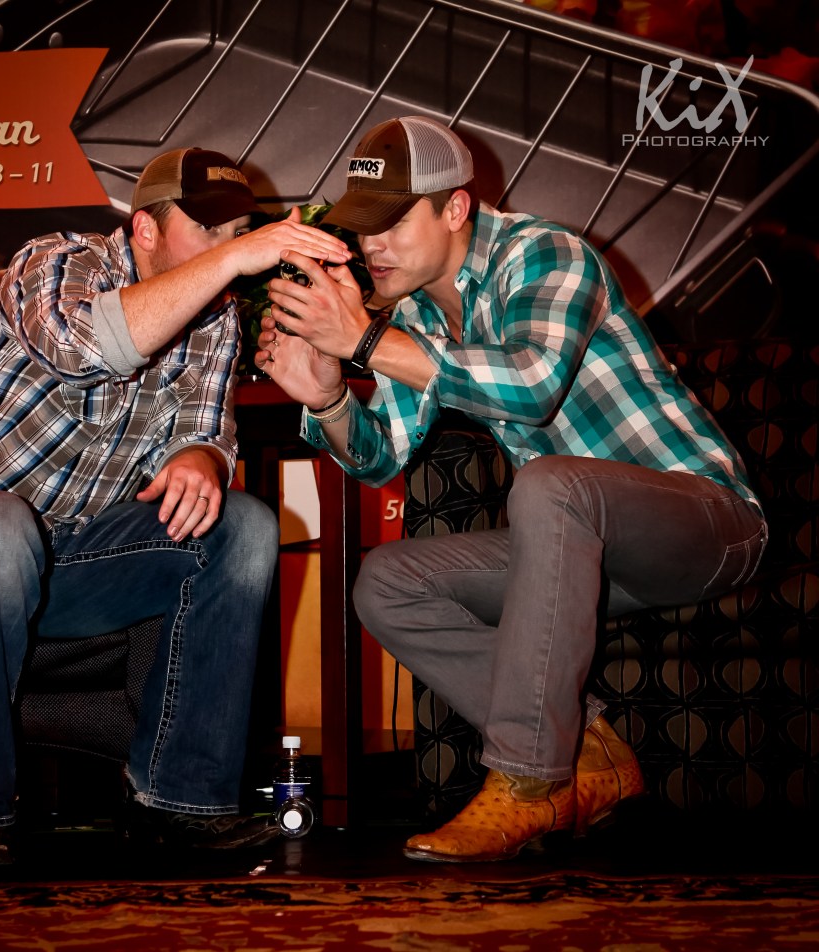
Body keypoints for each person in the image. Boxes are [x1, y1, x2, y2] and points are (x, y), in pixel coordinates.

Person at [255, 116, 767, 863]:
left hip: (708, 524)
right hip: (586, 550)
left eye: (393, 223)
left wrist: (364, 340)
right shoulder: (416, 315)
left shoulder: (545, 254)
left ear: (455, 209)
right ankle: (588, 750)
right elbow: (379, 459)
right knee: (388, 581)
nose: (372, 247)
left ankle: (530, 781)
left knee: (553, 485)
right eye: (364, 228)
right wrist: (330, 398)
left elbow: (532, 386)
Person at [0, 146, 351, 864]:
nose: (229, 248)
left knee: (242, 526)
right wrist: (234, 259)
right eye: (208, 229)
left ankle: (179, 802)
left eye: (237, 232)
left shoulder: (214, 322)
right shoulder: (56, 263)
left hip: (69, 555)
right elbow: (89, 348)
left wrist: (201, 459)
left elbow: (205, 430)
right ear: (144, 228)